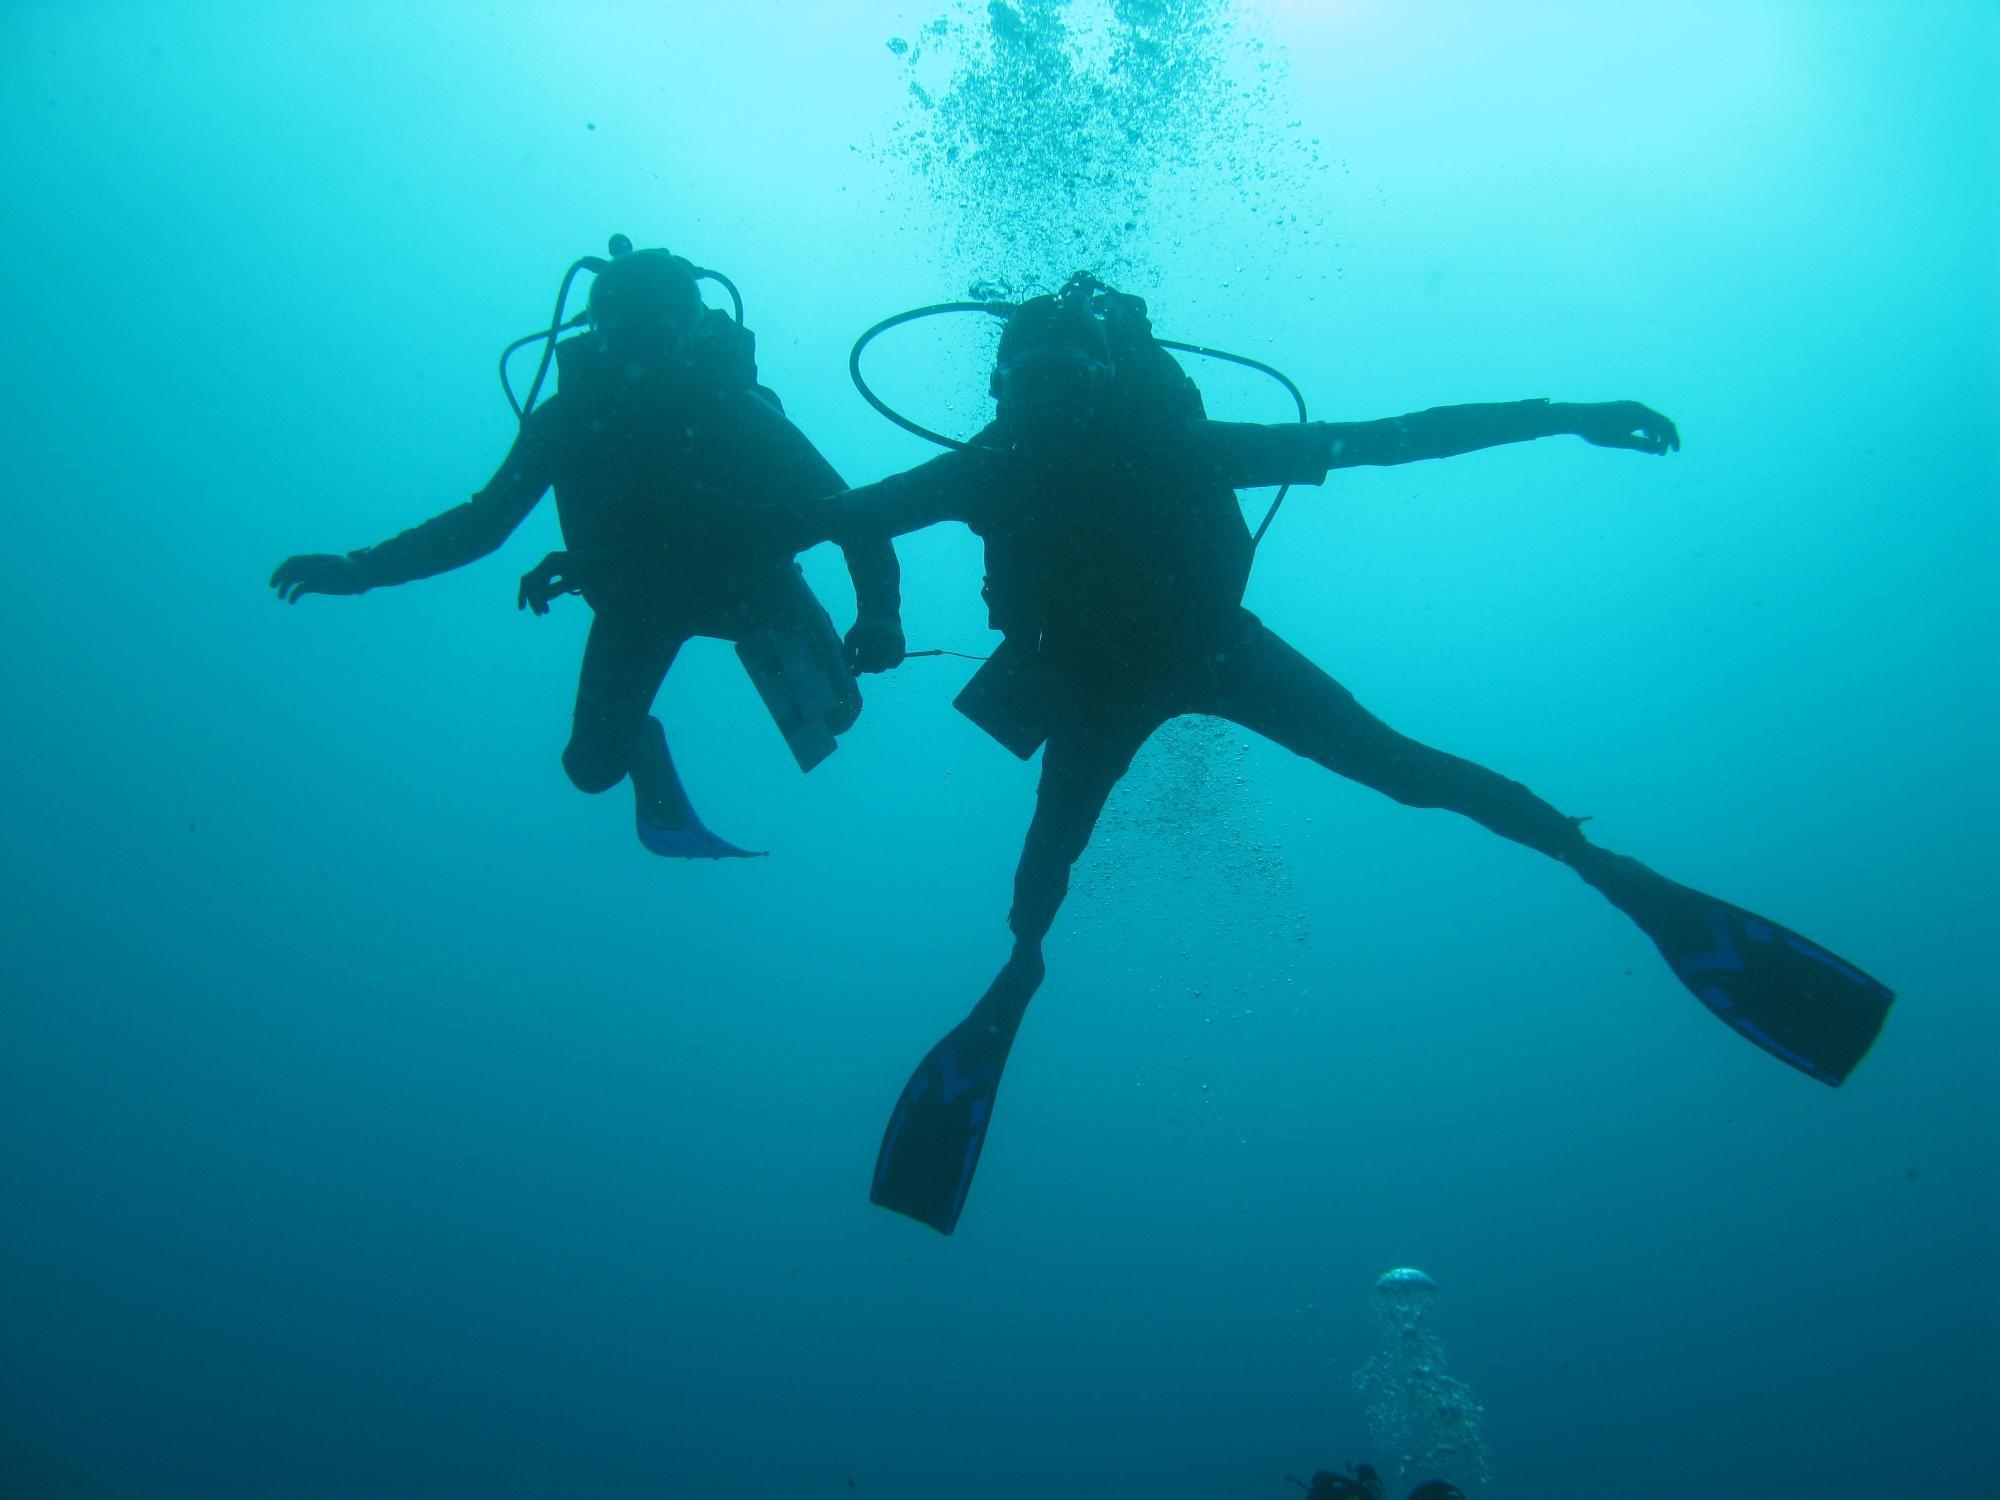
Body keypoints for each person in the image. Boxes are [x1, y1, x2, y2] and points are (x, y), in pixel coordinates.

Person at [804, 274, 1894, 1234]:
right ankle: (1021, 965)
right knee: (1046, 869)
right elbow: (835, 517)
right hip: (1120, 675)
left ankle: (1592, 863)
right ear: (1000, 393)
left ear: (1095, 377)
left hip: (1195, 654)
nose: (1042, 392)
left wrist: (1564, 417)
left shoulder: (1152, 446)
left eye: (1060, 370)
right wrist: (875, 613)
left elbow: (1392, 437)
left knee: (1404, 772)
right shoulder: (990, 470)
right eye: (1025, 375)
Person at [271, 239, 904, 857]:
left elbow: (854, 514)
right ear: (599, 334)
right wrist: (364, 569)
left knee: (839, 715)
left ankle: (648, 730)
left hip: (746, 590)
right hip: (641, 604)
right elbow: (484, 523)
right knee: (591, 768)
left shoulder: (735, 410)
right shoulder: (568, 420)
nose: (643, 357)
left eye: (655, 333)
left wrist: (880, 613)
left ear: (689, 332)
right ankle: (640, 744)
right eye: (628, 335)